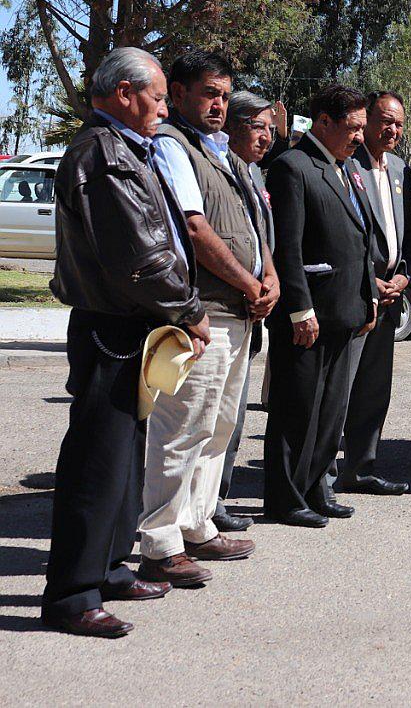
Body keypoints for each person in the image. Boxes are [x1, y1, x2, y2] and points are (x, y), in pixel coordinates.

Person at [42, 46, 210, 638]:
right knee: (96, 460)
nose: (164, 109)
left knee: (122, 459)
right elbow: (138, 257)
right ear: (124, 94)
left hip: (133, 326)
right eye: (159, 98)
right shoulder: (103, 152)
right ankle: (72, 595)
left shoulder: (123, 147)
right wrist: (190, 311)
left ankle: (110, 568)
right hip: (111, 326)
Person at [137, 51, 275, 586]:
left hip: (240, 313)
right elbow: (194, 230)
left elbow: (255, 228)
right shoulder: (173, 145)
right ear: (178, 93)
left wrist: (269, 278)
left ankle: (197, 525)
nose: (219, 104)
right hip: (204, 315)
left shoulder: (222, 153)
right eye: (209, 93)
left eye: (225, 95)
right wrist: (248, 283)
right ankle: (160, 543)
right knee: (181, 429)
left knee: (218, 426)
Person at [263, 84, 377, 527]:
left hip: (346, 311)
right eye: (353, 128)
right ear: (324, 122)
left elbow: (362, 240)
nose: (360, 137)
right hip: (308, 316)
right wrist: (299, 309)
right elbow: (287, 249)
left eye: (362, 128)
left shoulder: (347, 169)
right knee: (297, 411)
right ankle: (285, 498)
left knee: (330, 412)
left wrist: (368, 299)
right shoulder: (293, 167)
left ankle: (315, 489)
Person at [337, 91, 411, 495]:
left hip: (391, 294)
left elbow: (408, 230)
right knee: (342, 389)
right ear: (366, 120)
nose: (393, 130)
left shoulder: (400, 168)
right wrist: (371, 281)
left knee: (374, 389)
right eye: (386, 121)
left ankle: (361, 468)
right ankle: (322, 475)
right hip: (356, 294)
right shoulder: (345, 164)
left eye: (399, 124)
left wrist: (404, 275)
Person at [214, 90, 278, 532]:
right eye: (258, 127)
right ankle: (202, 505)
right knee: (212, 418)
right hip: (220, 310)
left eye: (271, 129)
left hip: (252, 312)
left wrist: (270, 279)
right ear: (231, 126)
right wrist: (251, 284)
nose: (267, 137)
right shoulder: (218, 168)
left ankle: (216, 498)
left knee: (233, 417)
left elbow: (260, 238)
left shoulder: (253, 172)